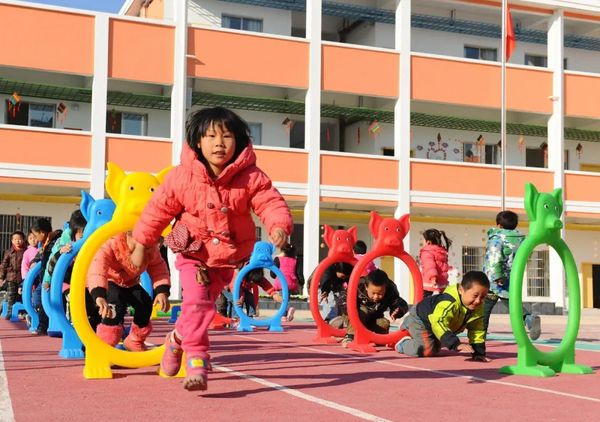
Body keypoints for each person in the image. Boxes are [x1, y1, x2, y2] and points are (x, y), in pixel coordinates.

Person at [131, 106, 293, 391]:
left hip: (230, 259)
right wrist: (143, 242)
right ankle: (196, 360)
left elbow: (269, 202)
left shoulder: (251, 176)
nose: (219, 143)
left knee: (200, 310)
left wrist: (278, 225)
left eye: (227, 136)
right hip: (193, 254)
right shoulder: (182, 177)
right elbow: (157, 211)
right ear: (197, 142)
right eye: (210, 136)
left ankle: (176, 339)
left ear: (239, 141)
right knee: (197, 304)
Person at [87, 231, 170, 351]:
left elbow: (158, 268)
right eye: (144, 248)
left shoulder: (150, 248)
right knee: (114, 307)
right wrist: (99, 295)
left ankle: (134, 340)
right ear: (130, 236)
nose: (148, 251)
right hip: (110, 279)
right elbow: (98, 267)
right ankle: (104, 346)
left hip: (130, 282)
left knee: (145, 303)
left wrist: (162, 291)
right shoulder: (112, 243)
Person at [395, 271, 490, 361]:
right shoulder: (449, 302)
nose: (478, 301)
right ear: (461, 290)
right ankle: (402, 343)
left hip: (436, 326)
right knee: (427, 350)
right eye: (475, 295)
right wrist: (455, 344)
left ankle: (411, 328)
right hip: (421, 319)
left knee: (436, 348)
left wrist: (478, 353)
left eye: (482, 297)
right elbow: (438, 322)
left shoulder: (478, 308)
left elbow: (477, 330)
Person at [483, 210, 541, 340]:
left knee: (484, 308)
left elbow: (494, 258)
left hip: (493, 281)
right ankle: (529, 319)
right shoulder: (522, 240)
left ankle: (479, 335)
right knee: (512, 304)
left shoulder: (497, 239)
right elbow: (526, 256)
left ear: (498, 225)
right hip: (512, 277)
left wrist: (497, 276)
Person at [340, 269, 408, 347]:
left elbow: (399, 302)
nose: (376, 297)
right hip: (356, 316)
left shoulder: (391, 290)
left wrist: (397, 310)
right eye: (373, 293)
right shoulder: (358, 284)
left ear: (385, 289)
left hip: (374, 318)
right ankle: (350, 336)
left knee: (383, 323)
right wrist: (348, 310)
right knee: (363, 311)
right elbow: (343, 298)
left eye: (380, 293)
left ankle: (377, 339)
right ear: (366, 287)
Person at [29, 218, 62, 335]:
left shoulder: (56, 241)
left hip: (53, 278)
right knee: (39, 298)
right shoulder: (46, 242)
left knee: (44, 299)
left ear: (42, 233)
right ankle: (43, 324)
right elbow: (40, 255)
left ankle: (44, 326)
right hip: (45, 277)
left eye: (35, 235)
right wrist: (34, 261)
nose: (35, 238)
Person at [270, 242, 300, 321]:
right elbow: (298, 272)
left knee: (282, 299)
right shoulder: (295, 260)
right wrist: (301, 281)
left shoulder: (278, 259)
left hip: (281, 281)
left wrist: (274, 276)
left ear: (282, 251)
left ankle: (285, 313)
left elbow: (273, 273)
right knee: (286, 297)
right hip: (291, 282)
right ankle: (287, 313)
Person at [0, 231, 26, 319]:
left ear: (23, 240)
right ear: (12, 241)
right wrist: (1, 277)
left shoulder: (26, 251)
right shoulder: (8, 252)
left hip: (23, 277)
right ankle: (10, 312)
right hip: (11, 277)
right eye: (15, 239)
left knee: (23, 295)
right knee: (11, 295)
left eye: (19, 239)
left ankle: (22, 313)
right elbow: (4, 265)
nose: (17, 241)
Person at [419, 229, 452, 297]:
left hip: (429, 285)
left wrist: (433, 278)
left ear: (428, 242)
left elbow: (430, 266)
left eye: (423, 240)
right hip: (442, 286)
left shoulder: (427, 252)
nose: (422, 242)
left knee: (425, 305)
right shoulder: (441, 252)